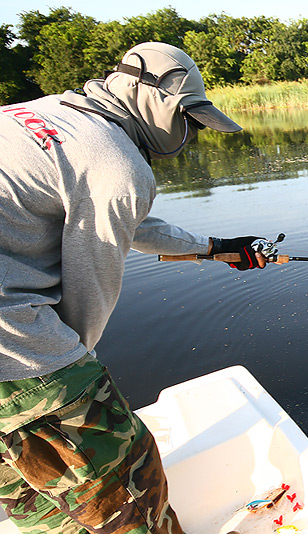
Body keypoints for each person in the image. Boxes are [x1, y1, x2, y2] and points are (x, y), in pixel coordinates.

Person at [0, 42, 269, 533]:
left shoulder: (41, 115)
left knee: (39, 505)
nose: (190, 135)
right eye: (190, 120)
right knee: (130, 493)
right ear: (160, 103)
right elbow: (90, 294)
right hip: (15, 351)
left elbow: (124, 222)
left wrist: (215, 247)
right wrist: (71, 378)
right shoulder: (117, 162)